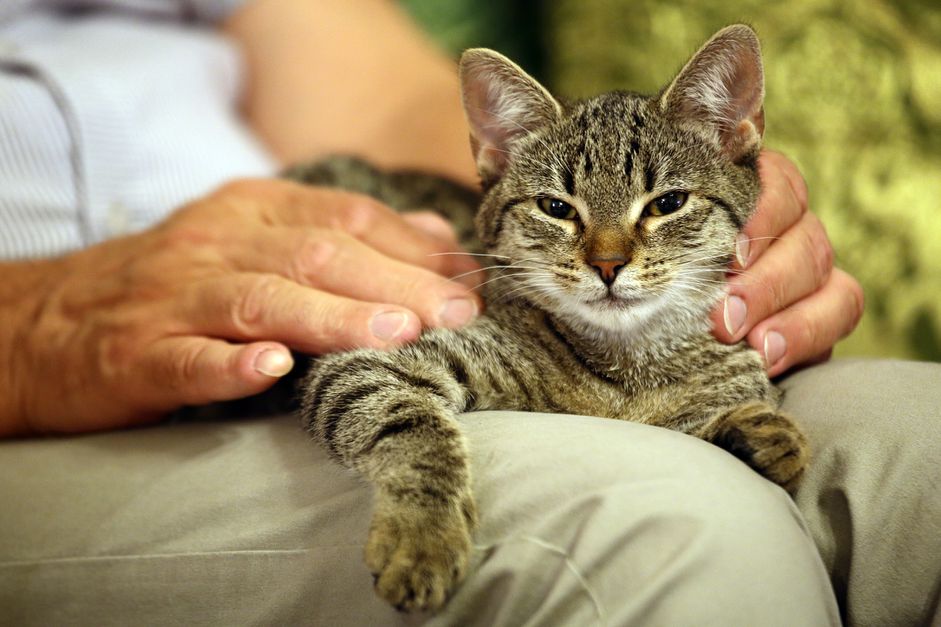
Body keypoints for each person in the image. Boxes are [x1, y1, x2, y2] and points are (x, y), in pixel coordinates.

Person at [0, 1, 937, 626]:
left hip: (373, 229)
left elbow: (385, 96)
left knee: (921, 451)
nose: (608, 258)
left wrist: (558, 169)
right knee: (669, 525)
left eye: (659, 209)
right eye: (574, 220)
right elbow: (375, 364)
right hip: (99, 393)